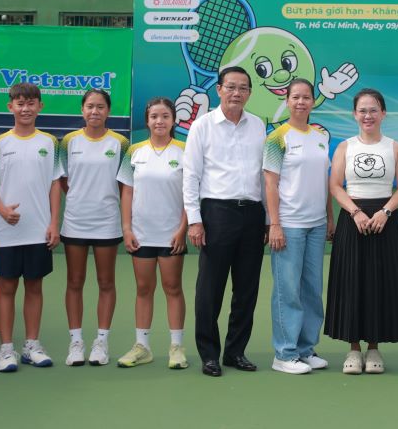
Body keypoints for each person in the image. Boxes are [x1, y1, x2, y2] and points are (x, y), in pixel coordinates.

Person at [183, 66, 268, 377]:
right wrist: (195, 220)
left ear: (249, 93)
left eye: (243, 88)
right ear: (218, 90)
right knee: (210, 288)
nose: (236, 93)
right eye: (231, 87)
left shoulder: (259, 126)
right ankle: (209, 354)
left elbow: (265, 176)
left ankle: (235, 351)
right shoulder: (202, 126)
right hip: (217, 213)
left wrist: (269, 220)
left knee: (246, 289)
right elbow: (190, 176)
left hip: (253, 214)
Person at [325, 88, 398, 374]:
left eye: (373, 110)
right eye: (362, 110)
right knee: (351, 282)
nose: (368, 115)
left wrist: (385, 212)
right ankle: (353, 350)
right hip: (354, 219)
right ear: (354, 115)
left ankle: (374, 348)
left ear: (383, 113)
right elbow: (336, 185)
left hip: (384, 221)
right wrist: (355, 212)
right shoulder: (345, 147)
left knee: (379, 283)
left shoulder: (395, 147)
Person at [0, 82, 63, 373]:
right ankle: (6, 349)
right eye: (20, 103)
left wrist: (54, 222)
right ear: (10, 107)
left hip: (39, 230)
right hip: (7, 231)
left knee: (35, 287)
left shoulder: (50, 143)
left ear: (40, 107)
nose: (25, 108)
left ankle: (32, 345)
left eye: (31, 103)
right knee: (7, 288)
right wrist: (1, 211)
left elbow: (55, 184)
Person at [263, 79, 334, 374]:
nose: (301, 102)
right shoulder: (277, 138)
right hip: (289, 225)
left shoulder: (320, 137)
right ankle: (284, 353)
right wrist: (275, 224)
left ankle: (306, 349)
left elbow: (324, 182)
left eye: (306, 97)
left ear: (312, 101)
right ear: (287, 100)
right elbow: (270, 182)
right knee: (287, 290)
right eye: (296, 97)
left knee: (312, 289)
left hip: (316, 225)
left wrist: (330, 217)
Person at [116, 97, 189, 369]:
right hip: (141, 234)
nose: (159, 121)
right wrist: (127, 228)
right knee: (144, 288)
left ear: (173, 121)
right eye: (154, 116)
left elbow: (189, 194)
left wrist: (182, 229)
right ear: (147, 121)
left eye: (165, 116)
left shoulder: (184, 151)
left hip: (172, 235)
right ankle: (142, 347)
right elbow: (127, 192)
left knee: (173, 288)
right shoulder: (135, 151)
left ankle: (176, 347)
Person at [60, 89, 129, 366]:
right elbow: (63, 180)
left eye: (100, 107)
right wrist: (79, 197)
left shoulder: (120, 143)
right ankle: (76, 342)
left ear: (108, 111)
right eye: (90, 107)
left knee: (105, 282)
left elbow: (125, 185)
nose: (95, 112)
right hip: (75, 221)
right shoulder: (68, 141)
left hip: (107, 223)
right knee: (74, 282)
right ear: (82, 110)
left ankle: (101, 342)